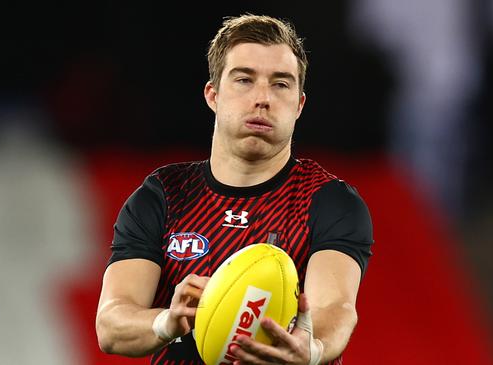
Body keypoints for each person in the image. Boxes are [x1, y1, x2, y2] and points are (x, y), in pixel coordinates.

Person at [95, 14, 374, 365]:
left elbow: (335, 307)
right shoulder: (164, 194)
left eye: (281, 84)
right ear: (213, 95)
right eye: (244, 79)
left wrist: (312, 348)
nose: (263, 98)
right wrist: (167, 321)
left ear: (299, 105)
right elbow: (110, 323)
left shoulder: (328, 200)